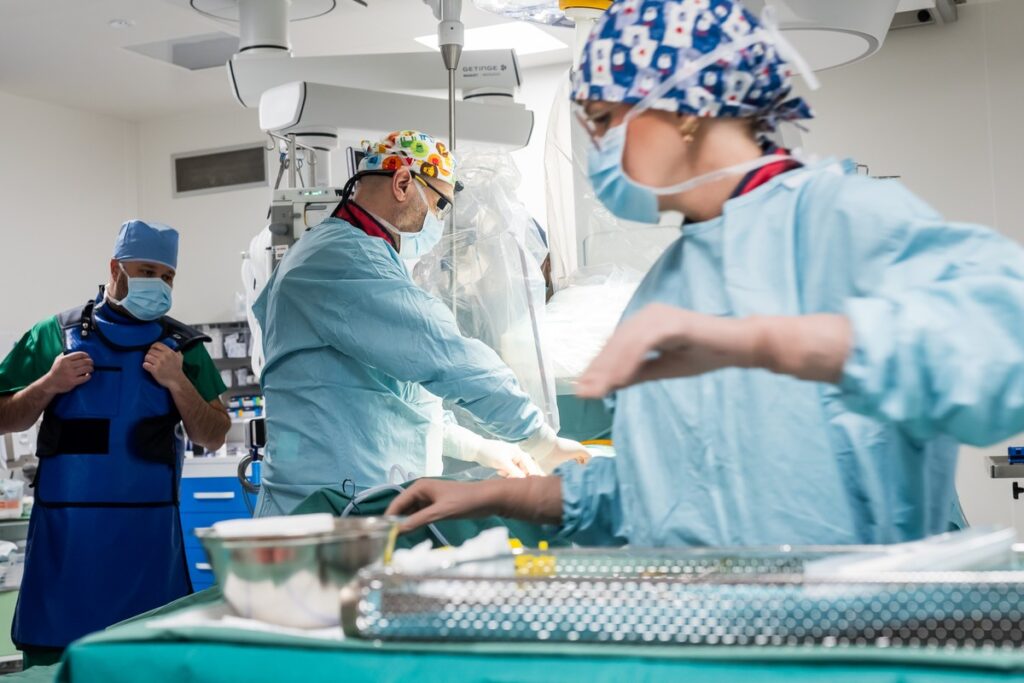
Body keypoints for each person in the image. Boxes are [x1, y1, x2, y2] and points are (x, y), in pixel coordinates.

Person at [388, 0, 1024, 547]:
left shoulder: (839, 218)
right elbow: (659, 495)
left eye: (607, 122)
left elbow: (1003, 349)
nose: (599, 150)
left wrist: (763, 341)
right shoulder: (677, 276)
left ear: (682, 108)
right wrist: (498, 496)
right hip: (725, 628)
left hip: (863, 631)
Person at [253, 130, 588, 517]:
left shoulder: (360, 255)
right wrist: (540, 441)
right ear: (402, 182)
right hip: (327, 508)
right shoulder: (339, 259)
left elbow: (400, 402)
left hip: (349, 499)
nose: (440, 219)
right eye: (439, 203)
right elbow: (445, 354)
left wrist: (482, 448)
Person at [0, 220, 230, 666]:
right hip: (67, 547)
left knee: (149, 664)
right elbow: (4, 417)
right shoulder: (56, 334)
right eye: (148, 271)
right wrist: (49, 384)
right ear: (115, 268)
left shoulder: (183, 348)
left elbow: (213, 434)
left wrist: (177, 381)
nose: (159, 285)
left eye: (168, 278)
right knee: (55, 663)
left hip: (148, 550)